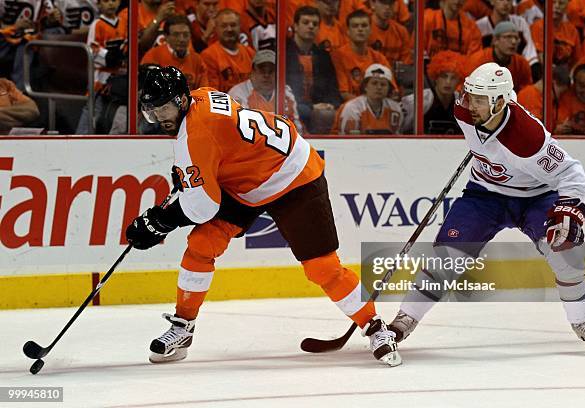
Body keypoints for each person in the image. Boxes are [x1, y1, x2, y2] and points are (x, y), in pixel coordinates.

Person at [125, 65, 402, 367]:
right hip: (247, 181)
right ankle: (183, 327)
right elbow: (219, 152)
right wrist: (194, 175)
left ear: (180, 101)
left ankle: (375, 326)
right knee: (202, 245)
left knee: (322, 268)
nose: (160, 117)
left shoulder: (195, 134)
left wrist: (159, 222)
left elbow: (203, 206)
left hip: (293, 175)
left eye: (164, 108)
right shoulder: (200, 98)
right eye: (152, 111)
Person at [388, 62, 585, 355]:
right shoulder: (463, 111)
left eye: (480, 99)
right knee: (447, 256)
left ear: (500, 102)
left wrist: (569, 208)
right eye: (470, 95)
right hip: (484, 195)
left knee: (565, 253)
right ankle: (404, 320)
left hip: (536, 196)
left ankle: (584, 322)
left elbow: (572, 174)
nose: (471, 104)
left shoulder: (528, 137)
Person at [286, 5, 341, 134]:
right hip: (291, 108)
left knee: (328, 114)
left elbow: (333, 88)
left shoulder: (323, 56)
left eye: (315, 24)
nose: (311, 26)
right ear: (295, 26)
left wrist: (331, 104)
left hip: (319, 112)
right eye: (306, 22)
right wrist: (311, 107)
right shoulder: (283, 52)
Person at [75, 0, 127, 134]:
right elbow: (92, 48)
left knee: (113, 109)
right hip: (99, 77)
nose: (110, 4)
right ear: (98, 4)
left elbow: (127, 43)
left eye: (114, 0)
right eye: (106, 1)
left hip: (118, 75)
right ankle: (81, 136)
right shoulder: (97, 24)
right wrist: (108, 56)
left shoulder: (123, 22)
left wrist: (122, 55)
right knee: (93, 109)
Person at [228, 49, 303, 133]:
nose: (266, 75)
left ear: (277, 73)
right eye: (262, 71)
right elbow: (240, 130)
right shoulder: (237, 94)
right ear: (252, 72)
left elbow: (296, 128)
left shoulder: (286, 93)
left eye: (271, 71)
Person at [331, 9, 391, 101]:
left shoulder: (379, 58)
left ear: (371, 30)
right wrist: (366, 105)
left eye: (364, 25)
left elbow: (390, 90)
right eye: (355, 26)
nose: (360, 29)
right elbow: (344, 93)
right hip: (350, 109)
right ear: (348, 31)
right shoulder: (337, 56)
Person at [401, 50, 464, 134]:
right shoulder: (421, 100)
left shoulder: (462, 103)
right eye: (444, 76)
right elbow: (400, 129)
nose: (448, 82)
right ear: (436, 77)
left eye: (453, 78)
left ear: (459, 80)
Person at [141, 14, 208, 90]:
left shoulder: (197, 60)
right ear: (166, 36)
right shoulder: (153, 56)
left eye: (185, 35)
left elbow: (204, 91)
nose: (181, 39)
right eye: (176, 35)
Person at [332, 63, 402, 134]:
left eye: (383, 84)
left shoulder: (395, 109)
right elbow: (348, 141)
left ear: (389, 89)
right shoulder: (352, 108)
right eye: (374, 83)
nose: (379, 87)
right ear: (365, 86)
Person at [467, 21, 533, 92]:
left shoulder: (522, 64)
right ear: (495, 40)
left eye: (516, 38)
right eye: (508, 37)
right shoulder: (478, 60)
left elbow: (526, 91)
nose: (513, 42)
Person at [200, 8, 255, 92]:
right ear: (216, 28)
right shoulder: (208, 56)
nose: (229, 29)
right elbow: (212, 93)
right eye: (224, 26)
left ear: (240, 26)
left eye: (233, 25)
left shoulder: (250, 53)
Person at [476, 0, 538, 67]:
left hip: (515, 69)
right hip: (487, 70)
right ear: (492, 1)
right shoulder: (479, 26)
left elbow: (530, 55)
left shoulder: (521, 23)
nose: (505, 3)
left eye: (509, 0)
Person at [531, 0, 580, 66]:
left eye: (561, 3)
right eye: (553, 2)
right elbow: (541, 58)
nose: (557, 6)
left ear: (567, 6)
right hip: (543, 72)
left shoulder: (572, 30)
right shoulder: (537, 26)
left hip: (565, 73)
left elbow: (576, 61)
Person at [368, 0, 414, 66]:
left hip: (394, 74)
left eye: (391, 3)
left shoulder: (401, 32)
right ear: (372, 4)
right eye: (383, 3)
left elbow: (406, 64)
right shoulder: (364, 30)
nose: (387, 7)